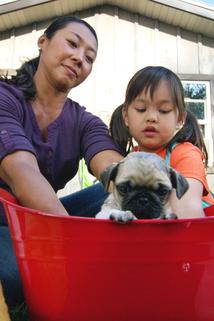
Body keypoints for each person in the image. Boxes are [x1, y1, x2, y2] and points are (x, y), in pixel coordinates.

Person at [0, 16, 124, 306]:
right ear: (43, 42)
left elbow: (115, 169)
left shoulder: (84, 121)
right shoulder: (5, 97)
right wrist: (73, 246)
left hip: (42, 223)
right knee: (17, 277)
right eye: (72, 43)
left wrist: (139, 187)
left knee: (115, 193)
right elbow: (21, 170)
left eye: (89, 57)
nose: (79, 58)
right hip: (5, 222)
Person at [109, 66, 214, 219]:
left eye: (164, 110)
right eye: (141, 109)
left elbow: (187, 212)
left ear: (180, 120)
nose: (152, 117)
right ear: (125, 115)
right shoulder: (131, 157)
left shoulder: (185, 154)